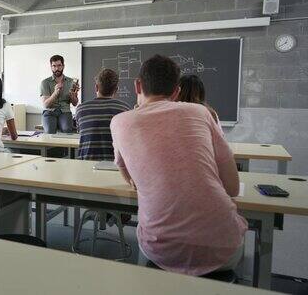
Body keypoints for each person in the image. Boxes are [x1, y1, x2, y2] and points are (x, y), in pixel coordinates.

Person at [110, 55, 247, 276]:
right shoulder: (201, 113)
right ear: (176, 91)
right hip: (222, 246)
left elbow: (130, 179)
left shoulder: (119, 122)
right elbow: (232, 188)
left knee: (145, 240)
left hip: (161, 248)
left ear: (137, 85)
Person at [75, 68, 130, 161]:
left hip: (86, 165)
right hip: (115, 166)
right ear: (116, 89)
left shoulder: (81, 109)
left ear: (96, 87)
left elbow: (80, 132)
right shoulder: (125, 109)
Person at [40, 55, 79, 134]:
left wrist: (73, 96)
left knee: (67, 130)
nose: (57, 68)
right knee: (49, 132)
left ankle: (63, 147)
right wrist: (55, 93)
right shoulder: (45, 82)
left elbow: (75, 103)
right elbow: (46, 105)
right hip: (49, 112)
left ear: (63, 66)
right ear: (51, 67)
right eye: (54, 66)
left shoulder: (71, 82)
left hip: (65, 111)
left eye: (59, 65)